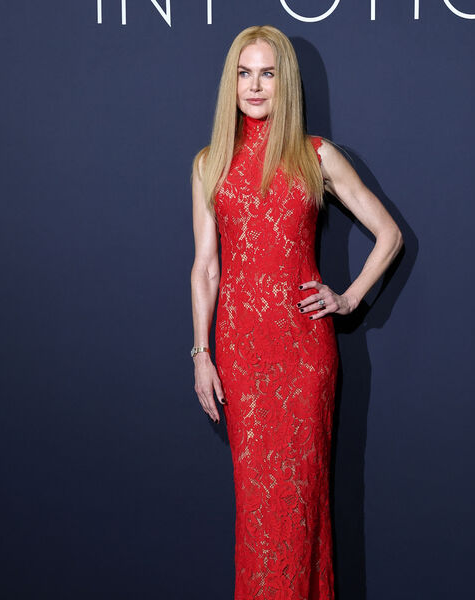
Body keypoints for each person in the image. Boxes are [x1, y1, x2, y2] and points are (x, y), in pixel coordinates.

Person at [190, 25, 403, 599]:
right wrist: (201, 354)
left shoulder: (315, 155)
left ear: (285, 82)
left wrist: (349, 297)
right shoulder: (209, 162)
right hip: (240, 356)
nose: (255, 86)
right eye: (244, 73)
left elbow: (389, 234)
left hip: (304, 359)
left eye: (267, 73)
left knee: (302, 502)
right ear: (231, 82)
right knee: (256, 509)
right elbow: (205, 268)